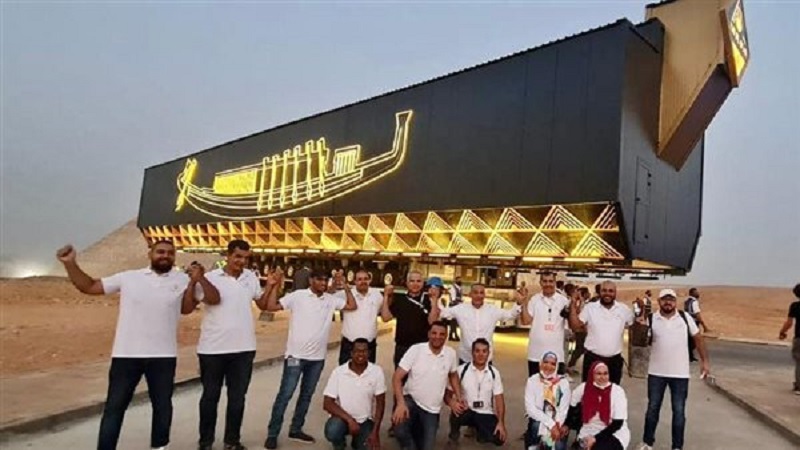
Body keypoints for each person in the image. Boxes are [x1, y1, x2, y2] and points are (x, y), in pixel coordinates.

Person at [56, 240, 214, 450]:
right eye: (160, 252)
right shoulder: (129, 278)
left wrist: (195, 281)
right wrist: (70, 264)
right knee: (115, 408)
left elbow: (187, 309)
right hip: (126, 355)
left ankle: (159, 448)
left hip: (163, 356)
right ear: (150, 254)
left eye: (170, 253)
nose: (165, 256)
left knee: (162, 407)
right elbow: (89, 286)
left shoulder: (182, 279)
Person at [262, 267, 357, 448]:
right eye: (319, 279)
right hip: (295, 357)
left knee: (306, 395)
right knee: (285, 395)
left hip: (317, 359)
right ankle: (272, 434)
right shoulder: (298, 296)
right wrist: (273, 286)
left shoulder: (330, 300)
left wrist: (345, 287)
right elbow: (271, 307)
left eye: (325, 280)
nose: (323, 283)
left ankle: (296, 429)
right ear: (311, 280)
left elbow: (352, 306)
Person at [197, 239, 273, 450]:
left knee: (237, 399)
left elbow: (262, 303)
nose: (242, 262)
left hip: (243, 350)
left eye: (246, 258)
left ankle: (231, 441)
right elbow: (205, 300)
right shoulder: (210, 278)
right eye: (238, 256)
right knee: (210, 398)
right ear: (228, 255)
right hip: (212, 350)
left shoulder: (251, 277)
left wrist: (271, 286)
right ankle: (205, 442)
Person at [636, 289, 711, 450]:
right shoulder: (651, 318)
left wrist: (704, 362)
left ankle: (677, 446)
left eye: (671, 299)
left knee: (679, 411)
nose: (668, 302)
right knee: (652, 409)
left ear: (675, 302)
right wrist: (640, 324)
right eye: (664, 299)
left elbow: (698, 338)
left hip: (680, 374)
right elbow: (641, 340)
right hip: (656, 373)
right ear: (659, 301)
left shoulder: (685, 318)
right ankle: (647, 443)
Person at [392, 321, 460, 450]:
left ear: (446, 336)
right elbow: (397, 378)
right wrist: (400, 404)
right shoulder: (416, 350)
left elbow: (453, 375)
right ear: (428, 334)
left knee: (426, 446)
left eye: (441, 334)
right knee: (399, 428)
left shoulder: (450, 354)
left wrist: (458, 396)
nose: (437, 337)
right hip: (411, 400)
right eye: (434, 333)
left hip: (432, 409)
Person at [430, 283, 522, 364]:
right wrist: (435, 299)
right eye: (476, 292)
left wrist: (518, 302)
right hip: (466, 357)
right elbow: (442, 313)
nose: (479, 295)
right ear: (470, 294)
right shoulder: (461, 309)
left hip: (486, 359)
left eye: (481, 293)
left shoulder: (492, 310)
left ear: (484, 295)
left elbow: (510, 315)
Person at [322, 338, 386, 450]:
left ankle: (357, 441)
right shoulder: (339, 372)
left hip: (364, 421)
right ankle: (339, 445)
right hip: (342, 419)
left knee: (368, 447)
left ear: (369, 353)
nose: (360, 354)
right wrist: (350, 420)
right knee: (332, 431)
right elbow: (327, 403)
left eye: (364, 351)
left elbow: (380, 403)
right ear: (351, 353)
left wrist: (375, 432)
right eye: (357, 351)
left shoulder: (376, 371)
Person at [568, 281, 634, 384]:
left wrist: (642, 312)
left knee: (612, 391)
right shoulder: (590, 308)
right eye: (604, 290)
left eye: (611, 291)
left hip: (614, 361)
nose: (607, 293)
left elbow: (635, 324)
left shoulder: (623, 309)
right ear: (600, 292)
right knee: (590, 390)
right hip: (592, 359)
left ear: (615, 293)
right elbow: (575, 326)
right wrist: (572, 304)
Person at [446, 338, 508, 447]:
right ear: (472, 352)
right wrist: (452, 403)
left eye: (484, 351)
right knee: (456, 412)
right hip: (466, 411)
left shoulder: (494, 373)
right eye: (477, 351)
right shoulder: (461, 370)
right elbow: (447, 393)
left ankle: (480, 432)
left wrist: (501, 423)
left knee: (499, 439)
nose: (481, 355)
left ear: (489, 353)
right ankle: (453, 435)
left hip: (485, 412)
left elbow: (499, 400)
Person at [570, 361, 630, 450]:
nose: (602, 377)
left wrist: (595, 439)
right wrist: (567, 425)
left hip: (614, 432)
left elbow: (617, 423)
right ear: (592, 375)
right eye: (599, 374)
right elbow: (572, 405)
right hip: (589, 429)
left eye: (605, 373)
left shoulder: (617, 391)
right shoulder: (585, 388)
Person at [380, 270, 433, 368]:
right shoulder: (400, 299)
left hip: (421, 348)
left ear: (423, 283)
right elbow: (386, 318)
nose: (415, 284)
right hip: (402, 347)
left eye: (418, 281)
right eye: (412, 281)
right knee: (400, 376)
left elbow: (433, 321)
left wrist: (434, 300)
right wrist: (386, 296)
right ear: (407, 283)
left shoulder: (428, 300)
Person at [521, 271, 570, 375]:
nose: (548, 284)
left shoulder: (563, 301)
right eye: (545, 281)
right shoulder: (534, 300)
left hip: (556, 355)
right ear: (540, 283)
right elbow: (525, 321)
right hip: (535, 354)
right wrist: (524, 302)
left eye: (551, 281)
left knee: (556, 384)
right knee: (535, 383)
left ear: (555, 282)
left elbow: (571, 324)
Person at [524, 351, 571, 450]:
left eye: (553, 364)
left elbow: (563, 409)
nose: (548, 366)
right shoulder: (532, 381)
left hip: (558, 421)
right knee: (536, 426)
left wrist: (556, 426)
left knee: (558, 445)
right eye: (545, 362)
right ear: (540, 363)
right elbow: (530, 409)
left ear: (557, 366)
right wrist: (551, 424)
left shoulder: (563, 383)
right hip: (538, 420)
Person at [336, 269, 383, 365]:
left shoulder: (377, 295)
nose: (363, 281)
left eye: (365, 279)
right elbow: (328, 296)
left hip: (369, 346)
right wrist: (336, 282)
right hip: (349, 345)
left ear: (369, 280)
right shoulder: (345, 294)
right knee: (345, 372)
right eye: (360, 279)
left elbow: (382, 311)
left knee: (368, 372)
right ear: (355, 281)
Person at [778, 283, 800, 395]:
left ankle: (799, 386)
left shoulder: (795, 306)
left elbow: (789, 322)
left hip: (799, 337)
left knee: (799, 362)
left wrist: (782, 332)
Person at [567, 287, 590, 373]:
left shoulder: (582, 303)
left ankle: (571, 365)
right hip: (580, 330)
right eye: (587, 293)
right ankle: (570, 365)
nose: (589, 294)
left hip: (582, 330)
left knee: (580, 349)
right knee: (579, 349)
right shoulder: (580, 304)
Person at [448, 277, 464, 341]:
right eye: (459, 280)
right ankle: (455, 335)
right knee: (454, 321)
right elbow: (453, 299)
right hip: (454, 306)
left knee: (454, 321)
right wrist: (460, 301)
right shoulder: (453, 288)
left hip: (457, 306)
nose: (460, 281)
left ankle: (451, 335)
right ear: (455, 281)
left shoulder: (460, 288)